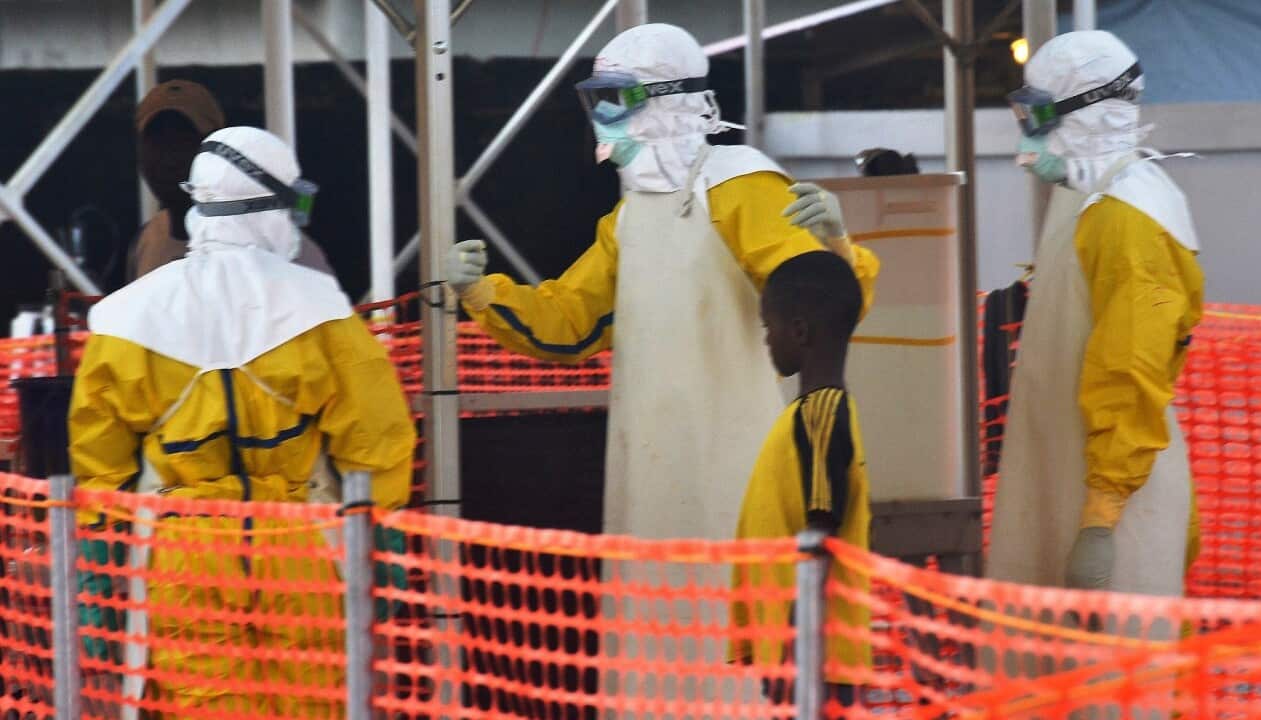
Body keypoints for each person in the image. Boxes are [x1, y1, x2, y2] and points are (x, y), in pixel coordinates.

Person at [444, 23, 878, 544]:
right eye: (597, 100)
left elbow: (824, 302)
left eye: (615, 99)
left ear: (667, 100)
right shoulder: (629, 219)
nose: (603, 119)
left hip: (738, 454)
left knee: (734, 600)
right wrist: (483, 294)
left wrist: (836, 249)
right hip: (651, 461)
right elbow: (570, 322)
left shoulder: (741, 184)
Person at [70, 126, 415, 715]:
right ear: (271, 205)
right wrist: (383, 552)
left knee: (202, 703)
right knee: (314, 701)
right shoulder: (320, 309)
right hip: (302, 546)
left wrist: (101, 567)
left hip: (181, 553)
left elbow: (100, 462)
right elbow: (376, 442)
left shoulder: (127, 318)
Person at [988, 30, 1204, 597]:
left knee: (1118, 677)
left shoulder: (1131, 217)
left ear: (1085, 115)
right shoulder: (1083, 202)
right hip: (1065, 485)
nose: (1027, 138)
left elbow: (1131, 370)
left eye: (1037, 116)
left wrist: (1101, 520)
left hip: (1114, 515)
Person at [730, 251, 871, 710]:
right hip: (803, 654)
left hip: (816, 659)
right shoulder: (805, 414)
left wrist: (797, 645)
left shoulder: (822, 414)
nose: (767, 341)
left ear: (800, 331)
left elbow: (821, 533)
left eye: (769, 328)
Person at [131, 79, 333, 281]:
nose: (167, 159)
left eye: (182, 142)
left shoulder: (292, 253)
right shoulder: (146, 240)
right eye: (155, 142)